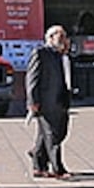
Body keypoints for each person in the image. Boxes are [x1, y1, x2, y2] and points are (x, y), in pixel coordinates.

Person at [25, 24, 74, 178]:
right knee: (52, 135)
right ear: (51, 38)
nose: (64, 40)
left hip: (61, 100)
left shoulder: (62, 55)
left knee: (51, 133)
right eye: (60, 37)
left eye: (64, 37)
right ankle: (58, 169)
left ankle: (38, 160)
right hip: (46, 102)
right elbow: (31, 79)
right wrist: (32, 101)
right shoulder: (41, 53)